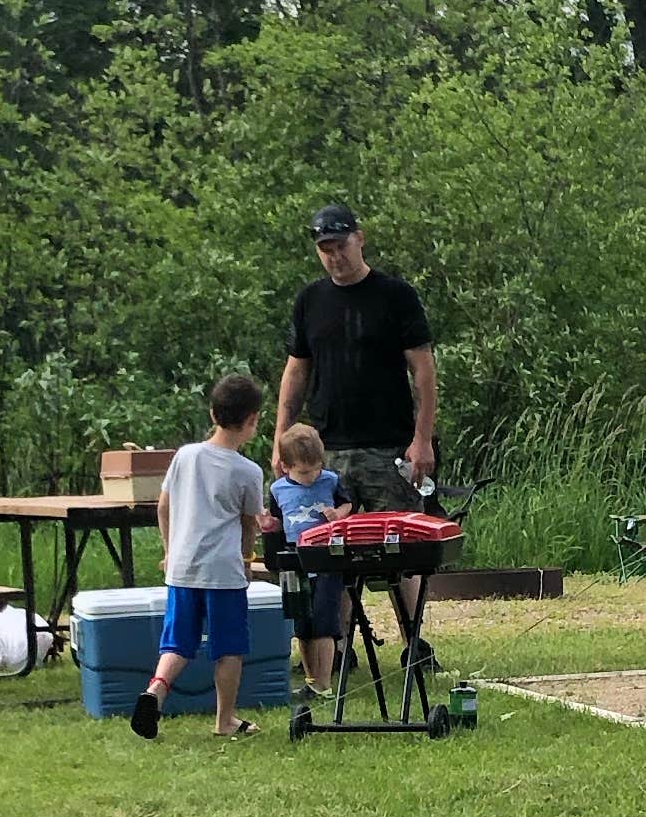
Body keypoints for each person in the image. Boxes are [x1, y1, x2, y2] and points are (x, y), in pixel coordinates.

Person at [130, 373, 267, 742]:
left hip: (182, 567)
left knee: (177, 642)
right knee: (229, 647)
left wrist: (169, 550)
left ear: (212, 413)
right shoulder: (248, 471)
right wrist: (247, 559)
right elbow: (247, 523)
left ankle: (156, 690)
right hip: (223, 572)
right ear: (253, 420)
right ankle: (225, 719)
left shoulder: (184, 456)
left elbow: (163, 507)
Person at [278, 206, 436, 514]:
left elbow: (424, 371)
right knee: (322, 545)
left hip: (389, 446)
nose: (335, 256)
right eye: (326, 250)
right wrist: (281, 442)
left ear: (359, 239)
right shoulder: (309, 300)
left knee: (398, 544)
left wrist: (423, 438)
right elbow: (295, 373)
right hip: (323, 452)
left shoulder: (396, 295)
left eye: (341, 246)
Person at [268, 419, 346, 695]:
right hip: (294, 559)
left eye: (315, 469)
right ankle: (311, 679)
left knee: (325, 622)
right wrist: (268, 526)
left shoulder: (331, 480)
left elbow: (348, 503)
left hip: (325, 557)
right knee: (301, 623)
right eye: (303, 472)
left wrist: (339, 515)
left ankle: (325, 681)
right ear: (286, 467)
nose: (311, 477)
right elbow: (276, 523)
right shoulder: (278, 490)